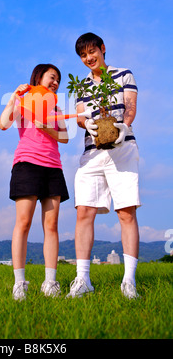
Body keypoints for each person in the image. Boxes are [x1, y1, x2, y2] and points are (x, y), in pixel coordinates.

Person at [66, 33, 141, 300]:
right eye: (83, 55)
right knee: (84, 211)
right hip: (92, 153)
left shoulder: (123, 74)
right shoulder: (82, 85)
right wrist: (86, 123)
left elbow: (130, 107)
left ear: (103, 48)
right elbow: (78, 118)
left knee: (126, 212)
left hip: (123, 149)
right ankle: (82, 280)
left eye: (92, 52)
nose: (89, 58)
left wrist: (124, 125)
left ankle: (128, 281)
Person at [0, 64, 69, 300]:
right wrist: (12, 99)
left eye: (58, 80)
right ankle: (20, 283)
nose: (56, 82)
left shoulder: (56, 107)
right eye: (52, 77)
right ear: (39, 77)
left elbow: (65, 137)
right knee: (24, 222)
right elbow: (3, 124)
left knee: (51, 226)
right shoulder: (24, 102)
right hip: (27, 164)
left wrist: (46, 127)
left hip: (53, 167)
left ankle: (50, 283)